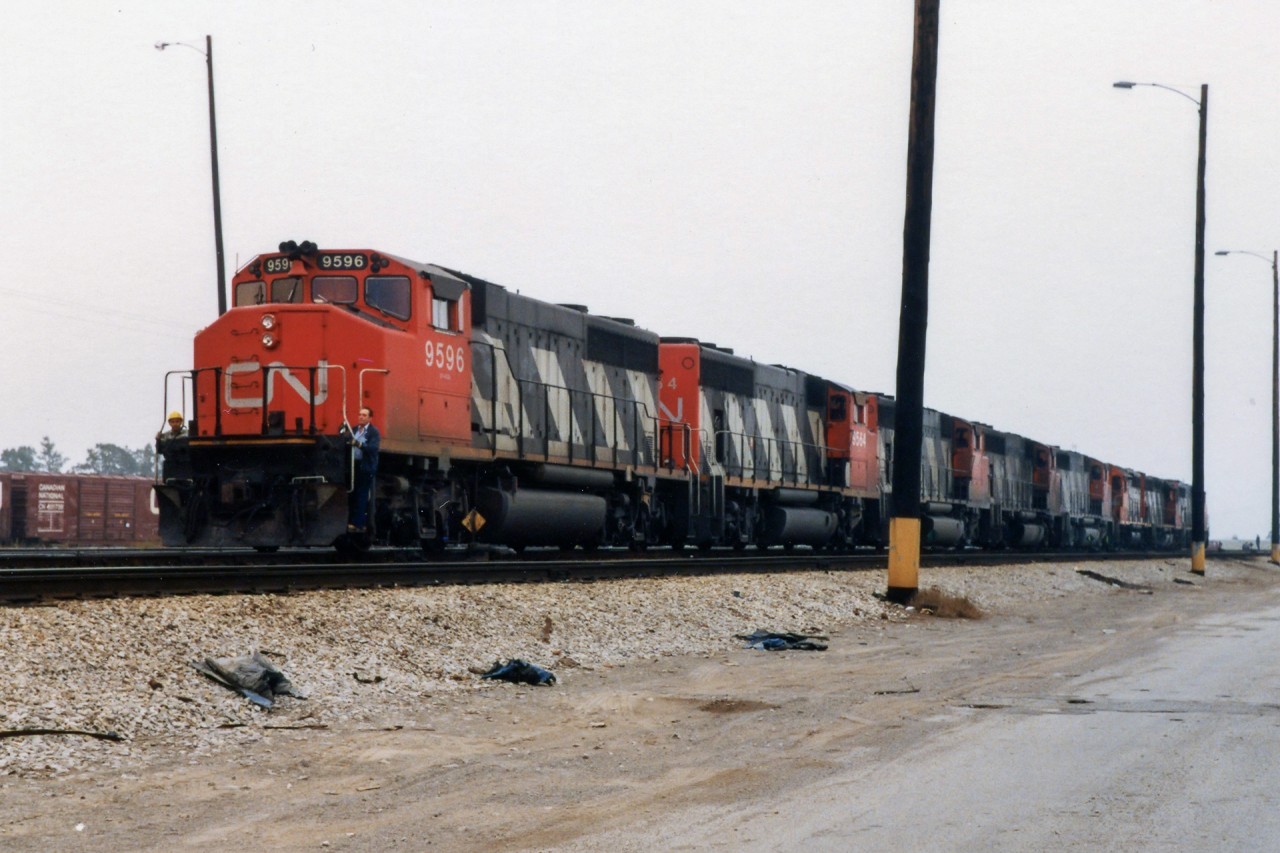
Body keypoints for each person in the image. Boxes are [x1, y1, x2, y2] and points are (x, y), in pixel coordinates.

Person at [349, 406, 381, 533]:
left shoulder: (374, 432)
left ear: (370, 418)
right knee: (353, 494)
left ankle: (359, 523)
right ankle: (352, 521)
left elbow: (373, 448)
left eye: (364, 415)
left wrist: (359, 444)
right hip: (354, 466)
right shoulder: (354, 430)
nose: (361, 417)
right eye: (360, 414)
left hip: (366, 467)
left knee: (362, 495)